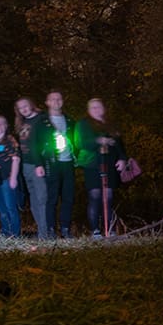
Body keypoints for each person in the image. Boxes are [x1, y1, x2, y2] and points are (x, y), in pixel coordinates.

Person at [75, 98, 128, 238]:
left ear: (104, 108)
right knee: (95, 196)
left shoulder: (111, 125)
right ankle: (95, 231)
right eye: (92, 107)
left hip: (110, 164)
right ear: (88, 110)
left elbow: (120, 145)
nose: (96, 109)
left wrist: (122, 159)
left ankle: (110, 229)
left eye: (98, 107)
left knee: (108, 197)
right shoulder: (83, 124)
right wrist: (98, 140)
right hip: (92, 164)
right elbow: (80, 143)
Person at [15, 97, 54, 239]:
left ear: (31, 104)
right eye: (20, 108)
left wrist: (39, 164)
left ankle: (46, 234)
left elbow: (42, 144)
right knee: (33, 203)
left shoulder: (41, 120)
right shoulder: (23, 123)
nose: (23, 109)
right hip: (26, 166)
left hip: (37, 165)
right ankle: (42, 231)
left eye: (25, 106)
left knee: (42, 199)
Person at [43, 91, 76, 237]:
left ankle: (65, 229)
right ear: (47, 102)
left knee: (68, 197)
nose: (56, 101)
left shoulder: (70, 120)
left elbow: (77, 140)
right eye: (53, 99)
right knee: (52, 198)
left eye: (59, 99)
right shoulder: (43, 121)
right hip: (51, 164)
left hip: (68, 163)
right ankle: (50, 229)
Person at [0, 115, 21, 237]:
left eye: (2, 123)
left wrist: (13, 177)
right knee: (1, 208)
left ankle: (15, 234)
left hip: (7, 177)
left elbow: (16, 159)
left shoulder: (10, 140)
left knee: (10, 207)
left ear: (6, 126)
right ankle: (6, 233)